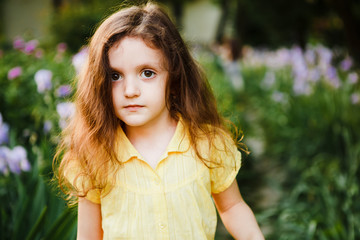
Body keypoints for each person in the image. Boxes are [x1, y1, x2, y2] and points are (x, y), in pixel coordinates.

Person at [54, 2, 264, 240]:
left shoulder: (206, 142)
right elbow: (89, 236)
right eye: (115, 76)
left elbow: (231, 207)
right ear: (99, 82)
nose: (130, 90)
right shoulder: (95, 154)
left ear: (173, 78)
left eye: (147, 73)